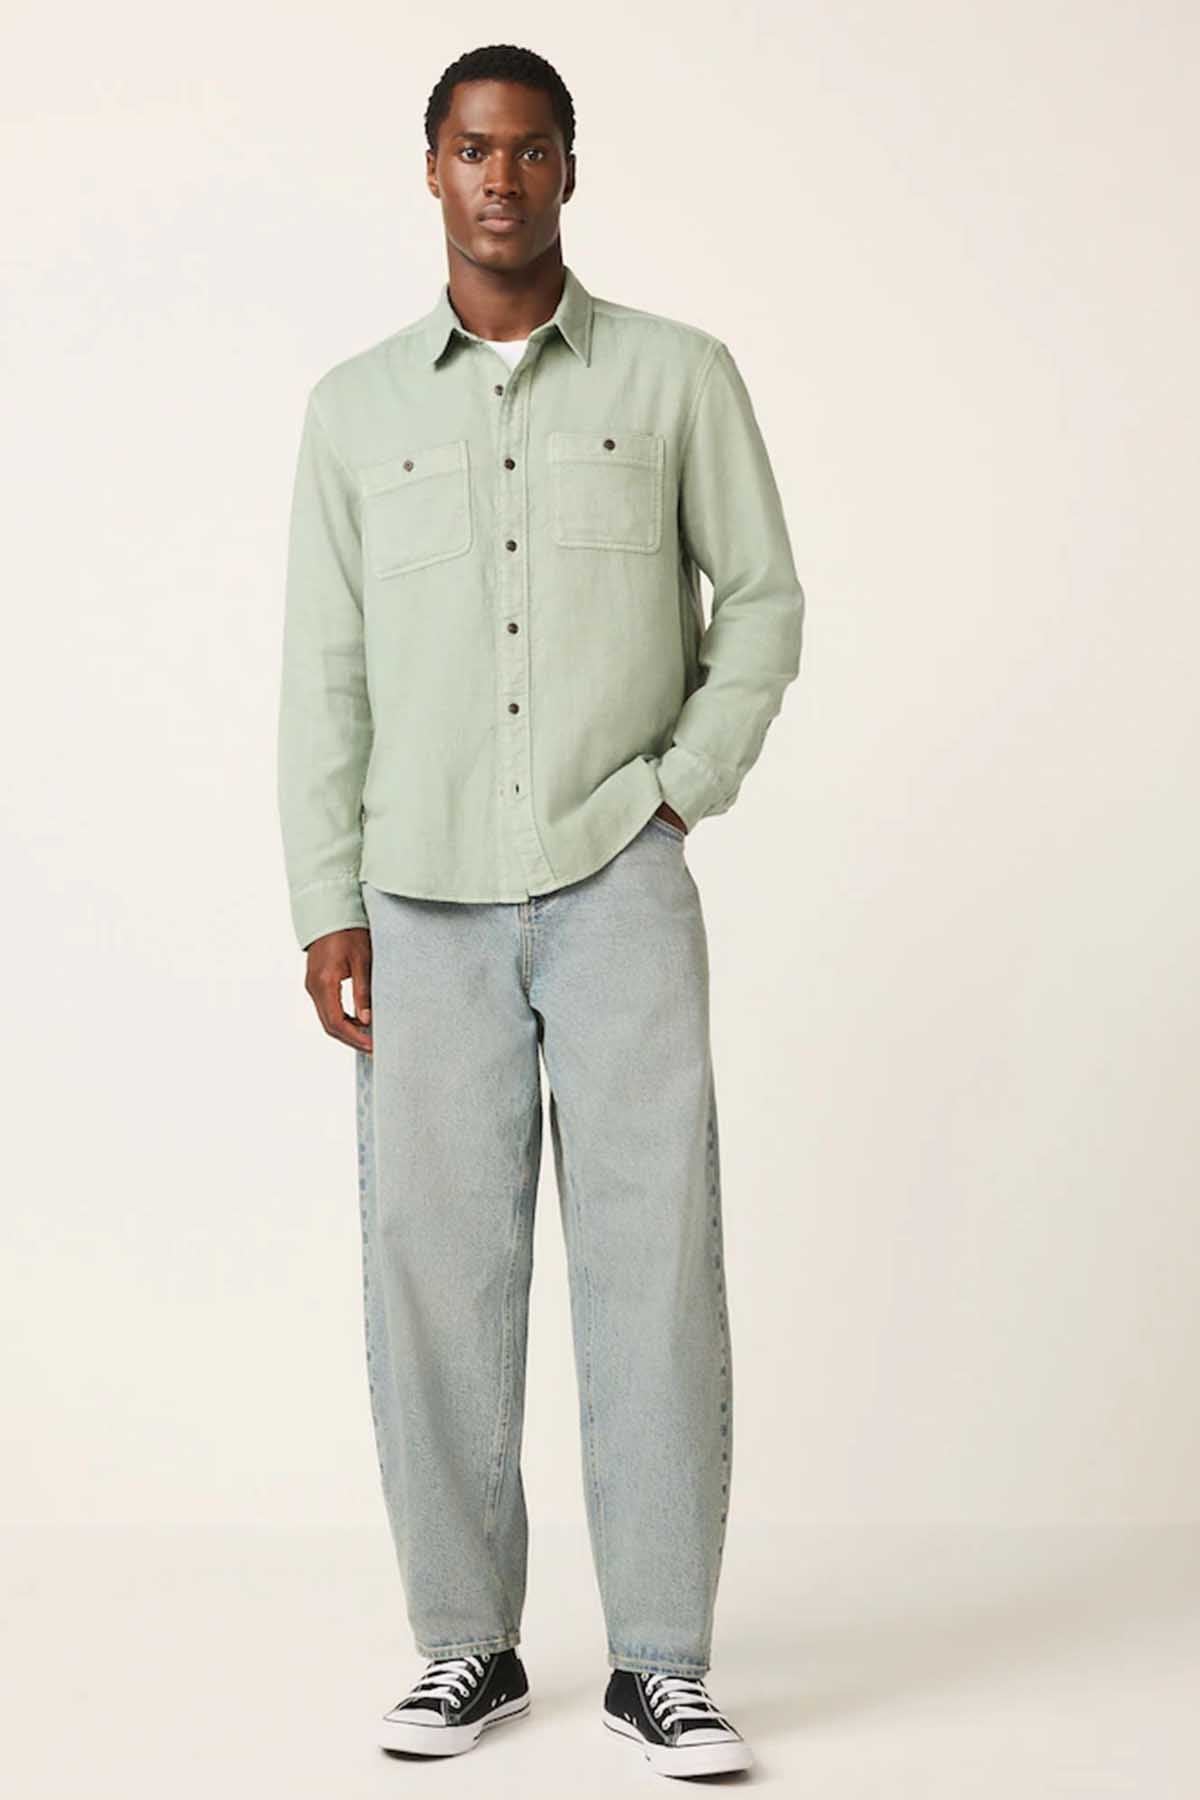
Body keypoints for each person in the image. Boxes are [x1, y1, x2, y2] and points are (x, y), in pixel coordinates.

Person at [276, 40, 804, 1781]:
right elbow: (325, 674)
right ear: (430, 169)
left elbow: (765, 600)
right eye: (470, 150)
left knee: (655, 1266)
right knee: (434, 1274)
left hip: (616, 877)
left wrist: (680, 788)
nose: (499, 179)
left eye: (528, 150)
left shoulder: (678, 377)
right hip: (418, 897)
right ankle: (467, 1645)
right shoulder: (355, 412)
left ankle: (663, 1660)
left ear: (570, 167)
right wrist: (326, 902)